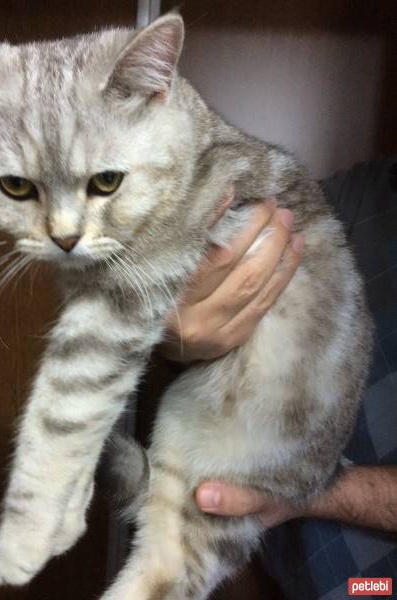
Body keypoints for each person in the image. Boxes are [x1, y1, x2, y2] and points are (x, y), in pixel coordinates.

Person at [159, 158, 397, 599]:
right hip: (284, 572)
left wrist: (300, 488)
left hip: (374, 583)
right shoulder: (355, 195)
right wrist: (180, 340)